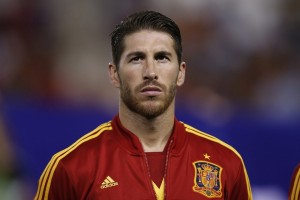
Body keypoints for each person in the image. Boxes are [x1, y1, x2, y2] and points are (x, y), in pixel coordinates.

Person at [34, 10, 252, 200]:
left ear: (181, 72)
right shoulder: (71, 167)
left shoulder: (226, 163)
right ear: (114, 74)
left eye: (162, 58)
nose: (150, 72)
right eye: (136, 58)